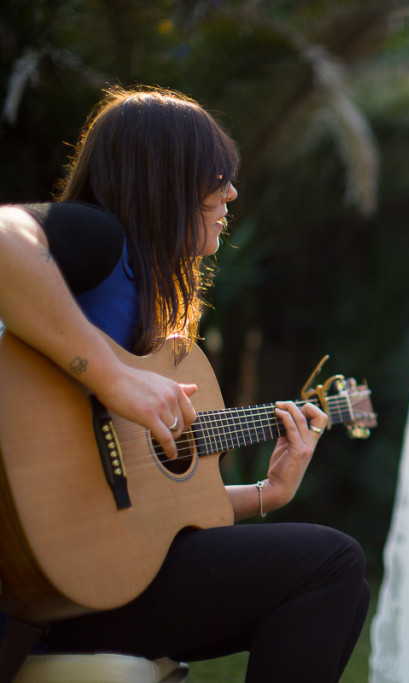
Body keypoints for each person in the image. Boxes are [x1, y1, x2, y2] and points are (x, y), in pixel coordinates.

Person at [0, 86, 369, 682]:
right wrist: (114, 376)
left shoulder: (151, 316)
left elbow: (142, 516)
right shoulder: (99, 237)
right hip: (32, 583)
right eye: (215, 175)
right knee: (329, 565)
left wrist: (264, 495)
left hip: (81, 581)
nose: (231, 194)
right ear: (162, 178)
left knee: (331, 578)